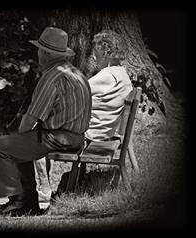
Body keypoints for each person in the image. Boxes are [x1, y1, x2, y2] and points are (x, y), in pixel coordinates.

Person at [0, 27, 92, 216]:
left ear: (45, 53)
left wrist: (17, 138)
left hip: (60, 137)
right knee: (20, 143)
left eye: (39, 50)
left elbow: (31, 119)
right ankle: (27, 201)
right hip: (77, 137)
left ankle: (20, 202)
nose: (37, 54)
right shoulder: (76, 72)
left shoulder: (52, 77)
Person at [34, 29, 133, 200]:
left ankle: (44, 188)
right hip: (102, 132)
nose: (93, 58)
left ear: (106, 52)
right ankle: (47, 187)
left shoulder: (107, 77)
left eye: (96, 53)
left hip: (89, 136)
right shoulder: (122, 74)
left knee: (35, 137)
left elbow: (75, 90)